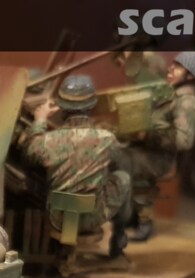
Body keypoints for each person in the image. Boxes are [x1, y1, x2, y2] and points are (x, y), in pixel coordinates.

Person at [16, 74, 132, 259]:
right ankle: (118, 242)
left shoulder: (48, 141)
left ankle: (64, 249)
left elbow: (27, 154)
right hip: (93, 215)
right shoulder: (107, 139)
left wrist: (40, 120)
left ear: (61, 107)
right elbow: (120, 163)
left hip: (59, 217)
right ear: (91, 106)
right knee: (123, 178)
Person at [118, 50, 195, 241]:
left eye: (178, 67)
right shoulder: (168, 94)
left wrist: (149, 134)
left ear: (190, 76)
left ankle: (143, 221)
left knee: (122, 161)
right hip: (144, 149)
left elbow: (184, 141)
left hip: (158, 157)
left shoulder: (187, 102)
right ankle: (128, 215)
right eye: (173, 65)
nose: (171, 69)